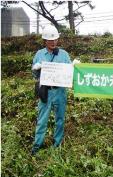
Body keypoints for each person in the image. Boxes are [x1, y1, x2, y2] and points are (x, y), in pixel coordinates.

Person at [31, 25, 79, 155]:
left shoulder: (63, 54)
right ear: (45, 41)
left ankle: (57, 145)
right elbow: (35, 76)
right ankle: (37, 147)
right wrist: (36, 69)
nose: (53, 42)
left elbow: (69, 73)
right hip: (45, 91)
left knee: (60, 119)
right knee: (42, 120)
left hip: (60, 92)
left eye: (55, 40)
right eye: (50, 40)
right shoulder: (39, 54)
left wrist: (74, 67)